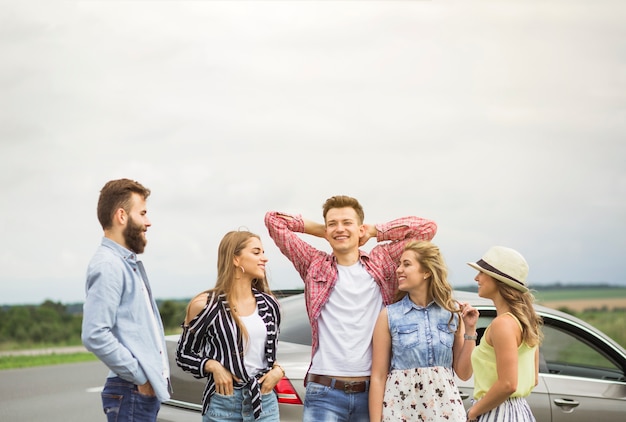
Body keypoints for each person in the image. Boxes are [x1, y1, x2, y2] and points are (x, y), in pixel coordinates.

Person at [264, 195, 437, 422]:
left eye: (347, 223)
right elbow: (274, 220)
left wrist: (375, 231)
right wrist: (325, 231)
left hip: (373, 392)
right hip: (324, 391)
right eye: (333, 223)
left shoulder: (382, 261)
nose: (340, 229)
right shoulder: (314, 264)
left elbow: (427, 229)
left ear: (360, 228)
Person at [81, 178, 171, 422]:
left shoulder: (124, 264)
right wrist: (140, 377)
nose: (148, 222)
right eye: (142, 213)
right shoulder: (108, 265)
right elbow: (95, 333)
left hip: (135, 392)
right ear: (121, 216)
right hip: (131, 391)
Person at [176, 230, 283, 422]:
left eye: (263, 252)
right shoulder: (206, 305)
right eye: (256, 252)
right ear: (236, 259)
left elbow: (269, 356)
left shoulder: (270, 304)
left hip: (264, 402)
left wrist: (278, 371)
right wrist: (213, 366)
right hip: (223, 404)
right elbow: (183, 355)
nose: (264, 258)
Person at [369, 240, 479, 421]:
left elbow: (464, 373)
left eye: (406, 264)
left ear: (427, 271)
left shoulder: (451, 313)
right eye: (399, 264)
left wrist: (470, 329)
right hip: (401, 411)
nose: (398, 270)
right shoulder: (389, 315)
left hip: (446, 412)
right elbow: (378, 376)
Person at [465, 246, 543, 422]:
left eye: (482, 273)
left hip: (497, 412)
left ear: (497, 279)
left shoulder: (502, 324)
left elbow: (507, 384)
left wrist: (474, 411)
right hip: (519, 410)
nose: (476, 278)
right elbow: (534, 379)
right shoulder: (526, 322)